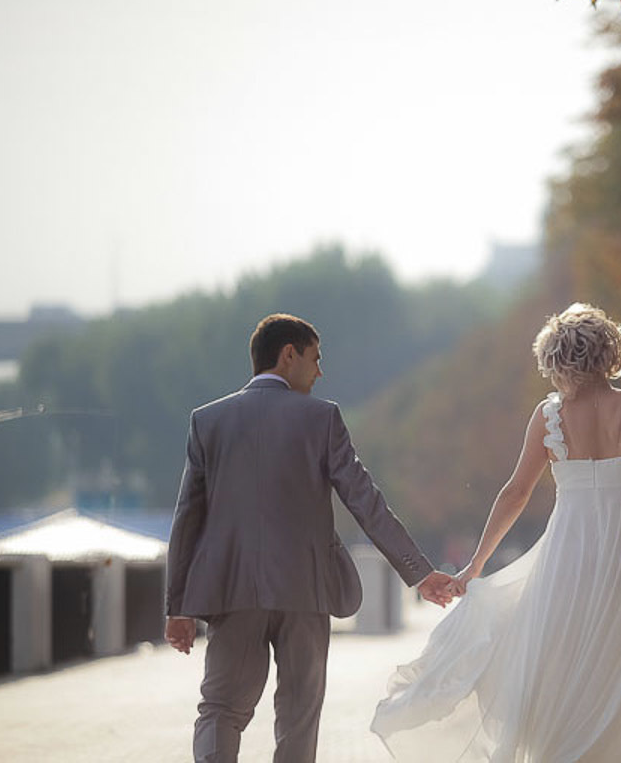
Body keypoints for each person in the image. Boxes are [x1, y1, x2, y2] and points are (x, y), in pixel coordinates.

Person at [371, 303, 621, 762]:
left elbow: (515, 494)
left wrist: (476, 565)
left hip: (566, 562)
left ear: (555, 360)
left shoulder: (548, 417)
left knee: (564, 671)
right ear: (609, 351)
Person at [165, 313, 456, 763]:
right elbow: (365, 501)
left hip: (230, 592)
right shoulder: (321, 418)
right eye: (315, 359)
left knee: (221, 709)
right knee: (299, 715)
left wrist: (178, 607)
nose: (320, 372)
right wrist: (417, 573)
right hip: (306, 589)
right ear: (288, 355)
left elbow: (187, 518)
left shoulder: (208, 421)